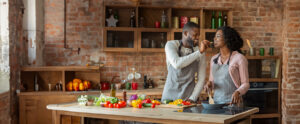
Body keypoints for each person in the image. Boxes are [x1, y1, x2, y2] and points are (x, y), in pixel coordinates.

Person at [161, 22, 210, 103]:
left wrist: (192, 98)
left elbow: (201, 78)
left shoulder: (200, 51)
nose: (197, 38)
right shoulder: (171, 45)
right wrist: (199, 52)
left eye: (198, 35)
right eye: (195, 35)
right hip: (168, 98)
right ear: (185, 33)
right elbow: (177, 64)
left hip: (187, 99)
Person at [204, 26, 249, 106]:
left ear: (227, 39)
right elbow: (212, 81)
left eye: (218, 36)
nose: (214, 39)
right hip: (216, 104)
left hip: (233, 104)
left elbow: (245, 84)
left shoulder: (239, 58)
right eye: (214, 37)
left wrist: (238, 92)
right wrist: (209, 84)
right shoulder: (214, 59)